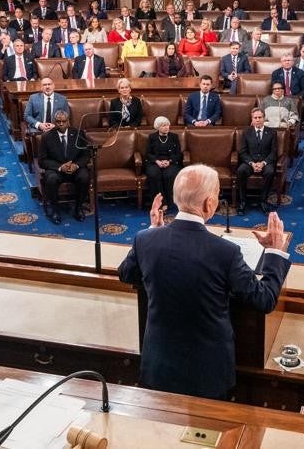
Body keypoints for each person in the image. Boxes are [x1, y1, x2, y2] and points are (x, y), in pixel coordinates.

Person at [118, 165, 290, 399]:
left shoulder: (144, 239)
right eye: (218, 195)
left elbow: (127, 274)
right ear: (209, 204)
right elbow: (264, 299)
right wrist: (274, 252)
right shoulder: (225, 252)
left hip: (158, 365)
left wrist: (153, 231)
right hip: (207, 373)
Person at [38, 111, 90, 223]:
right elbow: (42, 161)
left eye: (63, 121)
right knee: (51, 179)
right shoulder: (47, 137)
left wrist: (76, 165)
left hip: (75, 168)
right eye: (58, 121)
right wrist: (60, 167)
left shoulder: (78, 133)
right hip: (57, 170)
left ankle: (78, 208)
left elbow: (86, 156)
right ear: (54, 122)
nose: (61, 124)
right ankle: (55, 211)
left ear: (68, 121)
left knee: (84, 177)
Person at [236, 109, 277, 214]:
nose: (258, 120)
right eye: (255, 118)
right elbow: (243, 152)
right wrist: (252, 163)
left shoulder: (272, 132)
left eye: (260, 117)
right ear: (252, 119)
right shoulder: (246, 132)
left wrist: (263, 163)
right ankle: (243, 202)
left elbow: (274, 152)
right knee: (241, 171)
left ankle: (263, 201)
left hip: (265, 162)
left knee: (270, 172)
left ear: (264, 118)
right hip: (250, 163)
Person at [143, 116, 182, 209]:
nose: (166, 127)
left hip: (171, 162)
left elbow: (179, 154)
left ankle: (169, 201)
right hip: (155, 162)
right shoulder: (152, 137)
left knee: (169, 175)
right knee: (154, 175)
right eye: (163, 126)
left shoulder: (174, 137)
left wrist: (169, 161)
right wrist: (157, 161)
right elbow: (148, 153)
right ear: (158, 127)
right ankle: (160, 203)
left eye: (168, 125)